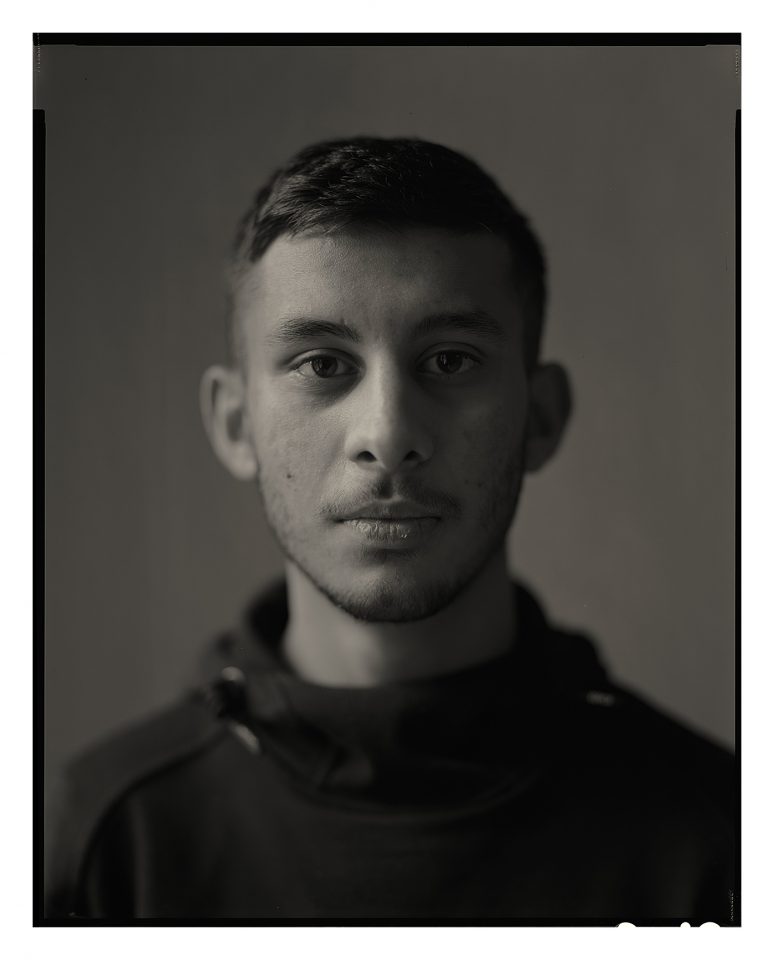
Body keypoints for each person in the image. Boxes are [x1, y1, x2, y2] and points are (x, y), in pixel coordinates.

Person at [44, 137, 736, 923]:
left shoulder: (719, 839)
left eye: (449, 361)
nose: (388, 432)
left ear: (539, 418)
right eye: (323, 364)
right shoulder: (105, 839)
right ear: (236, 424)